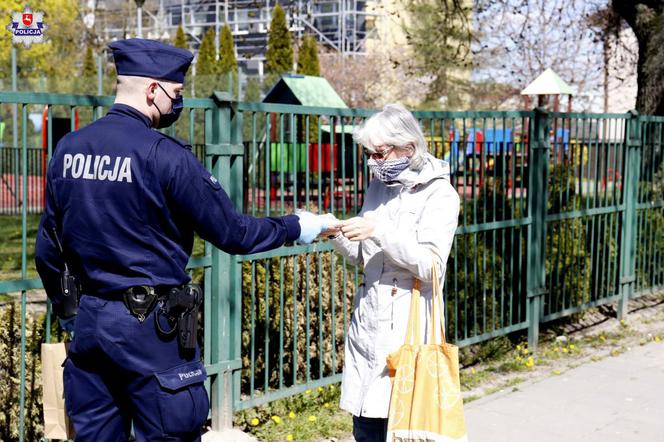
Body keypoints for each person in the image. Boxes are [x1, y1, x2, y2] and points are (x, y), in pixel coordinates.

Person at [34, 39, 329, 442]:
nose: (178, 103)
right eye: (175, 94)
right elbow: (234, 233)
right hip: (152, 332)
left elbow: (48, 247)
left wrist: (70, 312)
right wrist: (298, 225)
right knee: (172, 432)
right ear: (153, 90)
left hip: (91, 323)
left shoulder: (69, 149)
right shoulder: (164, 155)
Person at [326, 104, 460, 441]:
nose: (372, 161)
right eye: (368, 153)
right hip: (369, 325)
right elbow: (364, 257)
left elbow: (431, 266)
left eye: (379, 153)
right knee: (366, 428)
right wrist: (336, 232)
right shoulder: (378, 188)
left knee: (401, 430)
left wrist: (379, 231)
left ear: (408, 148)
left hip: (408, 334)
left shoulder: (440, 195)